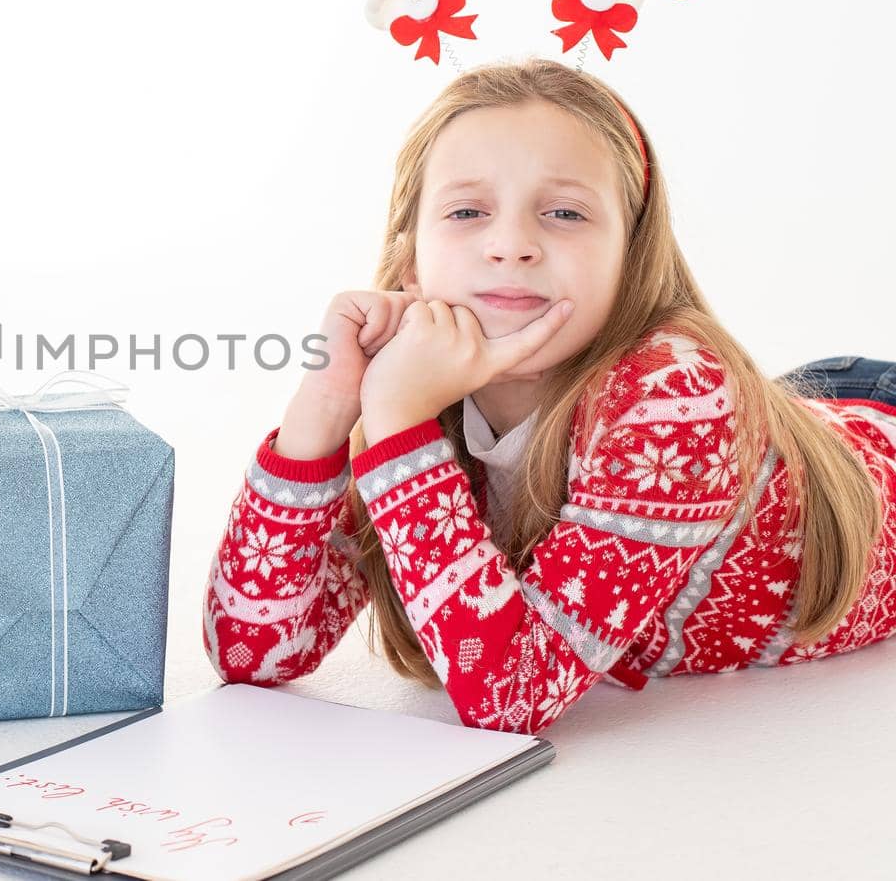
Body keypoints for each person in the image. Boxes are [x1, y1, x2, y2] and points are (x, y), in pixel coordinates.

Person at [201, 57, 896, 734]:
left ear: (633, 256)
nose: (510, 244)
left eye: (564, 212)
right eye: (468, 210)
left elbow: (512, 693)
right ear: (409, 255)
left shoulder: (677, 397)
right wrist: (325, 408)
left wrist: (398, 423)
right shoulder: (406, 378)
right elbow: (249, 652)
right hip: (811, 414)